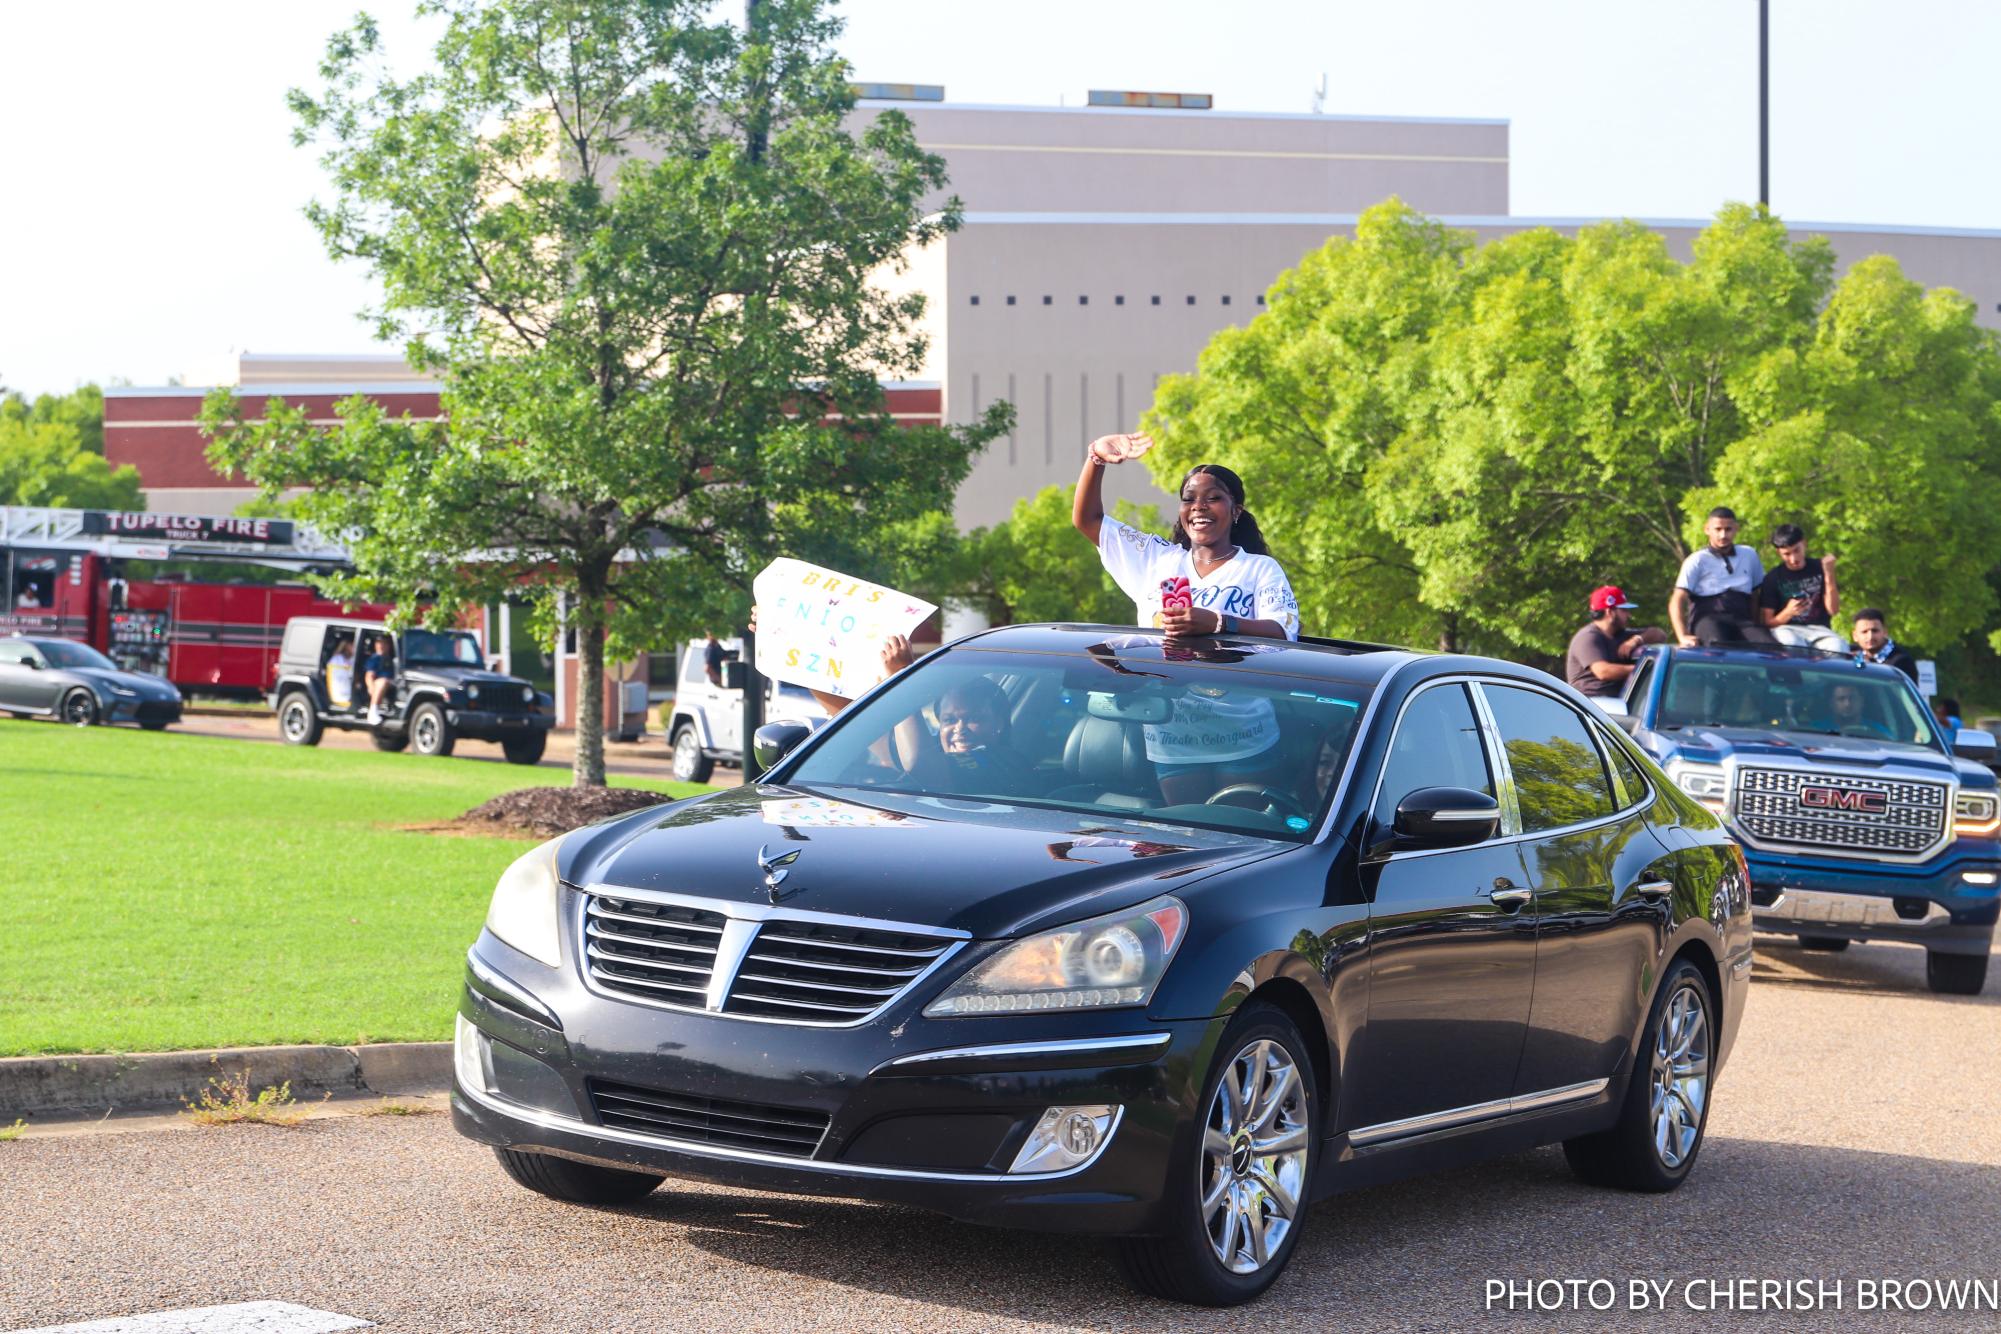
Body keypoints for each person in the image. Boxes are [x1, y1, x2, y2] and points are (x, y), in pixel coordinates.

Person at [1072, 433, 1301, 803]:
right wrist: (1095, 458)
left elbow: (1284, 633)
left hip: (1244, 734)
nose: (1199, 507)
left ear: (1236, 509)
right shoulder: (1157, 560)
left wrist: (1216, 623)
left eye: (1213, 498)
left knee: (1238, 833)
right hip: (1172, 738)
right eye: (1189, 499)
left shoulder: (1260, 569)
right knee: (1187, 838)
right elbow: (1088, 520)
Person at [1669, 507, 1775, 646]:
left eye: (1728, 529)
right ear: (1707, 529)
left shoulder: (1749, 554)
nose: (1723, 535)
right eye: (1718, 529)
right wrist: (1682, 635)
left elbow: (1756, 594)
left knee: (1771, 647)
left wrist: (1756, 622)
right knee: (1718, 646)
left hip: (1742, 619)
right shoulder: (1696, 560)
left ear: (1736, 529)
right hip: (1708, 618)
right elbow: (1677, 599)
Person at [1565, 586, 1665, 697]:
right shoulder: (1587, 637)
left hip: (1616, 705)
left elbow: (1659, 634)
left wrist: (1636, 640)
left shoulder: (1621, 634)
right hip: (1590, 705)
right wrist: (1644, 669)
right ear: (1609, 612)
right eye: (1624, 610)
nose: (1629, 615)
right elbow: (1603, 672)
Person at [1758, 524, 1844, 651]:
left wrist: (1829, 574)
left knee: (1839, 647)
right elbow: (1767, 622)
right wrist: (1788, 612)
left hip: (1820, 630)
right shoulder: (1773, 578)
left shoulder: (1820, 568)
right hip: (1787, 629)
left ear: (1804, 544)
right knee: (1792, 644)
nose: (1793, 559)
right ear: (1779, 553)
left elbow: (1833, 610)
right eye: (1787, 554)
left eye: (1797, 550)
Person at [1851, 608, 1918, 682]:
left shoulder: (1902, 661)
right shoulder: (1849, 655)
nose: (1870, 636)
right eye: (1864, 632)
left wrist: (1870, 669)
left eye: (1875, 631)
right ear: (1855, 636)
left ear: (1885, 632)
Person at [362, 634, 397, 725]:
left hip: (395, 683)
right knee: (382, 681)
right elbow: (369, 675)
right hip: (380, 685)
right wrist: (371, 686)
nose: (381, 646)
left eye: (384, 643)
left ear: (388, 646)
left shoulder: (394, 658)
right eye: (378, 643)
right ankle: (373, 711)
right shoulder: (374, 659)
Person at [326, 638, 356, 710]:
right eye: (352, 645)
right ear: (346, 646)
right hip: (341, 693)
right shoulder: (337, 659)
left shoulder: (352, 658)